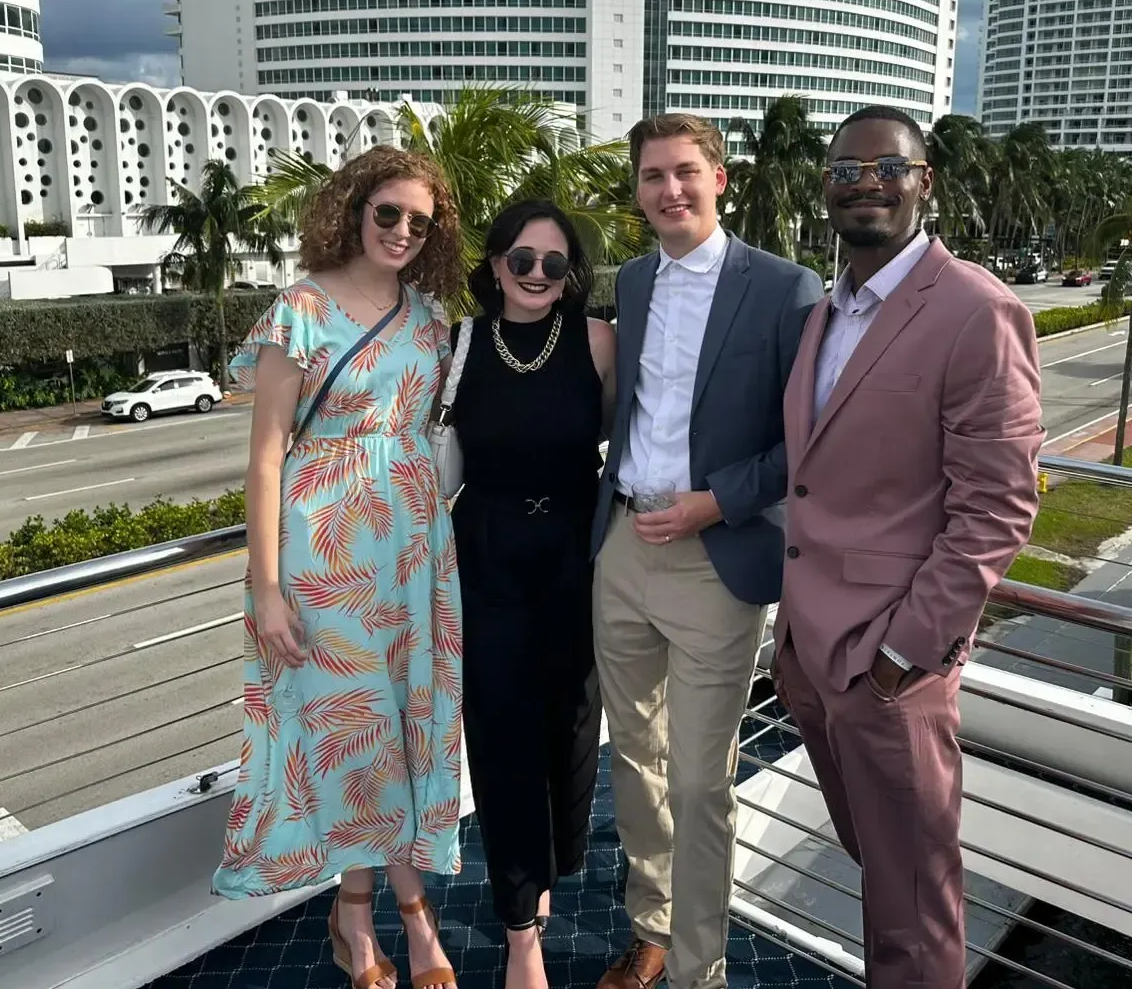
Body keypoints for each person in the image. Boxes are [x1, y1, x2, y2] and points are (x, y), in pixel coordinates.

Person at [773, 104, 1044, 989]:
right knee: (878, 873)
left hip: (889, 667)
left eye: (888, 169)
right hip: (813, 659)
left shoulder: (975, 310)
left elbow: (998, 508)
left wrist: (902, 654)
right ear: (828, 189)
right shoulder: (828, 311)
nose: (866, 185)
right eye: (847, 170)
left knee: (917, 909)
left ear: (924, 184)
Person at [214, 145, 466, 989]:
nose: (400, 230)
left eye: (418, 222)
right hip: (326, 550)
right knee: (346, 723)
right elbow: (265, 456)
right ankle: (369, 913)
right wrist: (265, 587)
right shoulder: (302, 308)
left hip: (412, 548)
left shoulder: (430, 319)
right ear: (356, 207)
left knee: (401, 719)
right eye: (387, 212)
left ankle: (384, 905)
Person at [591, 113, 824, 989]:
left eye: (686, 172)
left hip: (716, 561)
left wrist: (713, 502)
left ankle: (699, 969)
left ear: (719, 179)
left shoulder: (787, 287)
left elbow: (813, 439)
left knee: (698, 782)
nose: (669, 190)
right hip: (621, 549)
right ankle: (650, 928)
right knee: (633, 758)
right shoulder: (635, 281)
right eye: (653, 176)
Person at [447, 200, 617, 989]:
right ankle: (521, 929)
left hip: (575, 554)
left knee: (574, 721)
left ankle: (548, 865)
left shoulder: (596, 340)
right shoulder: (461, 342)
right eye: (523, 260)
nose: (539, 276)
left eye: (556, 263)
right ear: (494, 265)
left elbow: (624, 436)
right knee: (503, 732)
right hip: (487, 554)